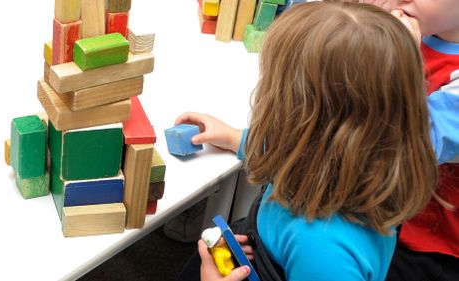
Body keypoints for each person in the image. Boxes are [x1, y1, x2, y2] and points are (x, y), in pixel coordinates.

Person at [176, 1, 448, 280]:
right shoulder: (351, 164)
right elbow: (289, 151)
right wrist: (235, 138)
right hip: (260, 248)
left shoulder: (324, 252)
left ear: (305, 118)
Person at [355, 1, 459, 280]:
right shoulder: (418, 27)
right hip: (379, 209)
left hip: (429, 246)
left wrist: (399, 61)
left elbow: (410, 147)